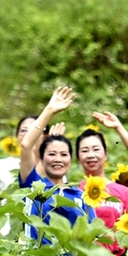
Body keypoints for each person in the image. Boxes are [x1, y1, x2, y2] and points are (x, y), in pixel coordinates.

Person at [18, 87, 96, 243]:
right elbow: (26, 145)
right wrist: (49, 110)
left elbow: (91, 237)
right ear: (41, 157)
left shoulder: (81, 196)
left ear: (71, 159)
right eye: (52, 154)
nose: (58, 159)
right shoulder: (33, 186)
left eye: (64, 154)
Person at [0, 112, 66, 191]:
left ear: (45, 136)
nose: (27, 135)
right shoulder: (8, 166)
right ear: (17, 137)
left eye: (33, 131)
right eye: (23, 131)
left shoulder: (56, 169)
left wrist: (53, 148)